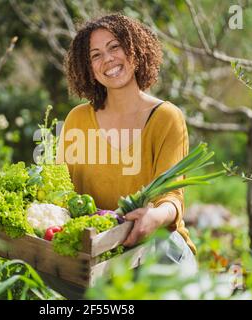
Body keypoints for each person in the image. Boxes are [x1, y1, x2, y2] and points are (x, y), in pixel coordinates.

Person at [56, 13, 197, 270]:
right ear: (88, 68)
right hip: (97, 254)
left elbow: (172, 198)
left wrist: (155, 216)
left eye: (115, 47)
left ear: (135, 49)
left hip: (157, 248)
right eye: (95, 55)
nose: (108, 59)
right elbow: (60, 190)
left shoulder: (166, 118)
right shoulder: (77, 119)